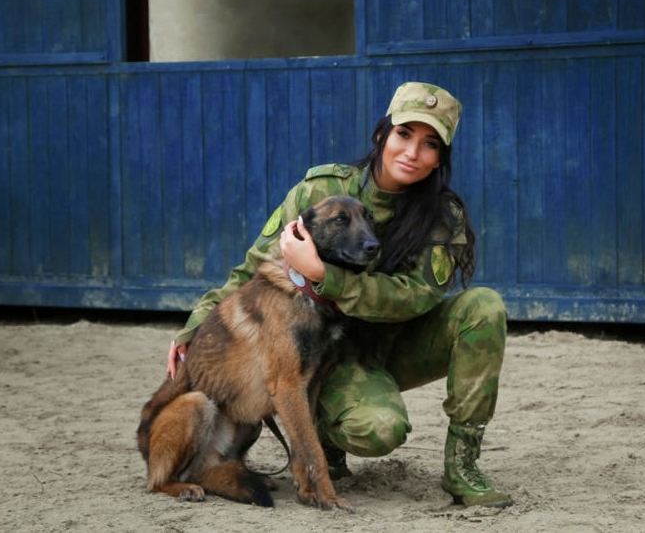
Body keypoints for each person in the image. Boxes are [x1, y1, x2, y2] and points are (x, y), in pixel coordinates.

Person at [166, 81, 512, 508]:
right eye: (404, 134)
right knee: (377, 429)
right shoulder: (320, 192)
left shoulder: (442, 215)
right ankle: (327, 438)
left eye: (430, 144)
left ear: (441, 157)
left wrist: (324, 276)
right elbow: (250, 272)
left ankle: (463, 464)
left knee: (485, 306)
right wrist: (193, 330)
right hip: (328, 356)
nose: (412, 152)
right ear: (383, 134)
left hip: (396, 342)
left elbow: (415, 297)